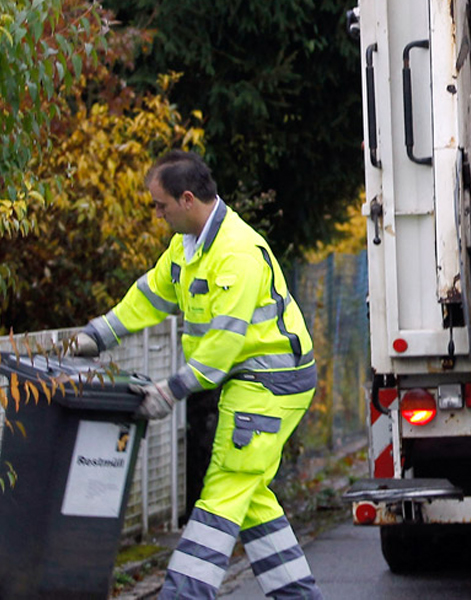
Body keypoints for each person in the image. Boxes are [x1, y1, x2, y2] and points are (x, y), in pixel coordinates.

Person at [73, 150, 323, 599]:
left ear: (186, 199)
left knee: (225, 487)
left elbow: (222, 349)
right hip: (255, 382)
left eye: (160, 205)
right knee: (252, 500)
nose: (156, 214)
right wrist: (98, 335)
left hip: (269, 384)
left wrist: (170, 391)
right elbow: (150, 295)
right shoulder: (188, 248)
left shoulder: (237, 255)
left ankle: (182, 595)